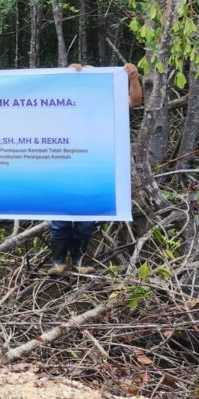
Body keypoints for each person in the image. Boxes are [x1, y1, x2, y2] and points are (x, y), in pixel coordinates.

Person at [49, 62, 144, 275]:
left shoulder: (108, 103)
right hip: (62, 168)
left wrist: (133, 77)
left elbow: (135, 100)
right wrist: (67, 72)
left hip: (93, 168)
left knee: (85, 220)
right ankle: (58, 262)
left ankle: (79, 261)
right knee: (60, 221)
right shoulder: (61, 103)